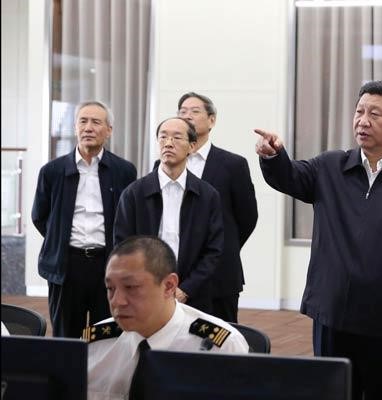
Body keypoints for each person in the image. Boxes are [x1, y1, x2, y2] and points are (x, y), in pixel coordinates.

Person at [254, 80, 382, 400]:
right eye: (359, 112)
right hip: (333, 316)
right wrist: (274, 156)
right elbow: (290, 176)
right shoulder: (331, 166)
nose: (363, 121)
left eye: (375, 114)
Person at [87, 235, 248, 400]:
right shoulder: (96, 344)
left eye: (131, 287)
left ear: (169, 286)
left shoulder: (221, 348)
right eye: (110, 288)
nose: (117, 301)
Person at [31, 100, 137, 338]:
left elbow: (130, 219)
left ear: (109, 130)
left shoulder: (124, 171)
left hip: (108, 264)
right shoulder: (52, 171)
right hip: (67, 266)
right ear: (75, 128)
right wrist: (59, 239)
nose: (88, 127)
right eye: (83, 121)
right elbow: (40, 216)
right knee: (66, 337)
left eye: (96, 122)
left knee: (107, 336)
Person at [114, 117, 223, 313]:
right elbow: (123, 246)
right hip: (144, 292)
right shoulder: (134, 193)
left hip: (194, 295)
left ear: (192, 146)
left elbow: (213, 251)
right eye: (163, 137)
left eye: (177, 137)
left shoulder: (207, 195)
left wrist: (186, 290)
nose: (168, 143)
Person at [176, 92, 258, 322]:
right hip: (177, 273)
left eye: (194, 111)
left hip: (220, 274)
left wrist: (222, 245)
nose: (187, 116)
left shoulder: (233, 164)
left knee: (221, 337)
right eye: (182, 112)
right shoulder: (164, 163)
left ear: (211, 120)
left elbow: (247, 217)